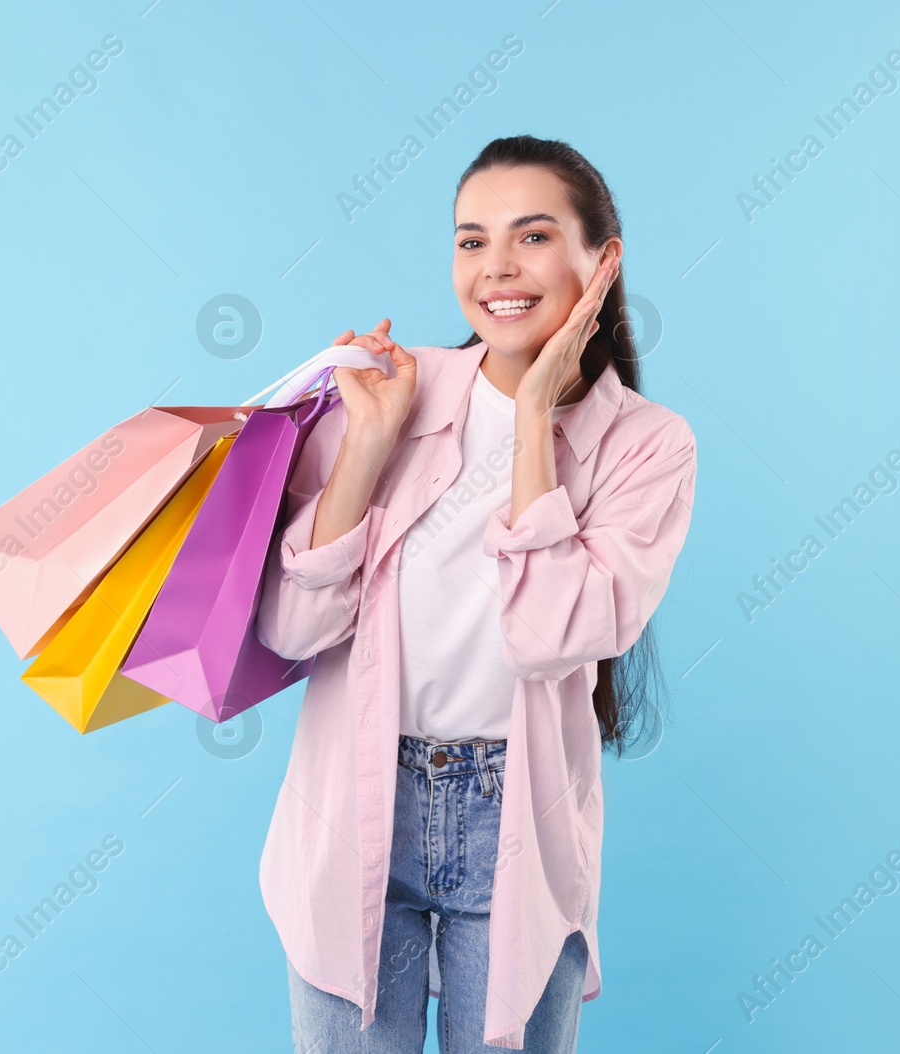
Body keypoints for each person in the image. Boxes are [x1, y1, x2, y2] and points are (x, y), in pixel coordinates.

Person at [256, 134, 698, 1052]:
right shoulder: (390, 393)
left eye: (533, 237)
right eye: (470, 241)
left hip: (520, 827)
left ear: (601, 260)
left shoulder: (649, 447)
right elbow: (294, 629)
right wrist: (365, 447)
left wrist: (534, 414)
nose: (496, 268)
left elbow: (545, 636)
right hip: (356, 807)